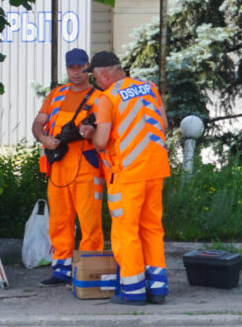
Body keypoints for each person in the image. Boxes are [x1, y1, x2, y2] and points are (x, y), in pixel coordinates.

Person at [80, 51, 170, 306]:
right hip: (156, 169)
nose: (96, 82)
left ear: (104, 74)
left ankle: (133, 290)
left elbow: (100, 141)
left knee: (125, 231)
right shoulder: (149, 88)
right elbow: (162, 123)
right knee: (152, 228)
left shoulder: (108, 98)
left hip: (127, 173)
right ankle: (157, 288)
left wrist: (90, 133)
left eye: (95, 77)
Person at [30, 48, 105, 287]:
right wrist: (44, 139)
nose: (76, 72)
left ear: (88, 67)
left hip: (87, 166)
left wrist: (90, 132)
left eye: (81, 67)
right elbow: (38, 124)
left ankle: (89, 271)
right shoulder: (56, 95)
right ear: (67, 68)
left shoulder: (100, 97)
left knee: (89, 221)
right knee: (60, 220)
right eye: (72, 67)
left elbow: (106, 131)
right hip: (59, 166)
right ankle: (61, 270)